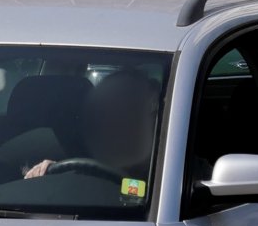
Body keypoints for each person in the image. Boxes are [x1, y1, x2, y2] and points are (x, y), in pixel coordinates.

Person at [24, 68, 161, 179]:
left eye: (129, 111)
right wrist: (47, 174)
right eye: (102, 114)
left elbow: (136, 194)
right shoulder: (77, 165)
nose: (112, 125)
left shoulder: (168, 175)